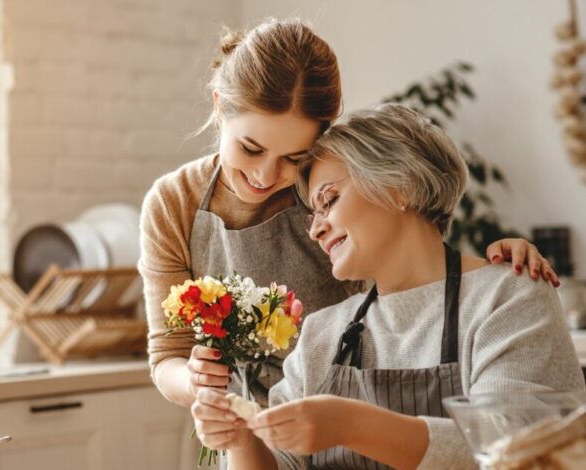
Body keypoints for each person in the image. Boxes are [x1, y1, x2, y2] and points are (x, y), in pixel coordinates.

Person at [140, 18, 559, 411]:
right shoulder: (174, 204)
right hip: (242, 426)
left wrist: (491, 271)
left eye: (294, 157)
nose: (265, 175)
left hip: (346, 417)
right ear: (219, 108)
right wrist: (198, 382)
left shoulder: (328, 186)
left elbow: (412, 271)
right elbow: (167, 354)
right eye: (250, 149)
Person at [190, 104, 585, 469]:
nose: (315, 229)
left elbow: (517, 451)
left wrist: (351, 424)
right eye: (313, 213)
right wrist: (240, 439)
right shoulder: (323, 333)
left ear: (400, 186)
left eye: (329, 199)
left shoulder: (508, 298)